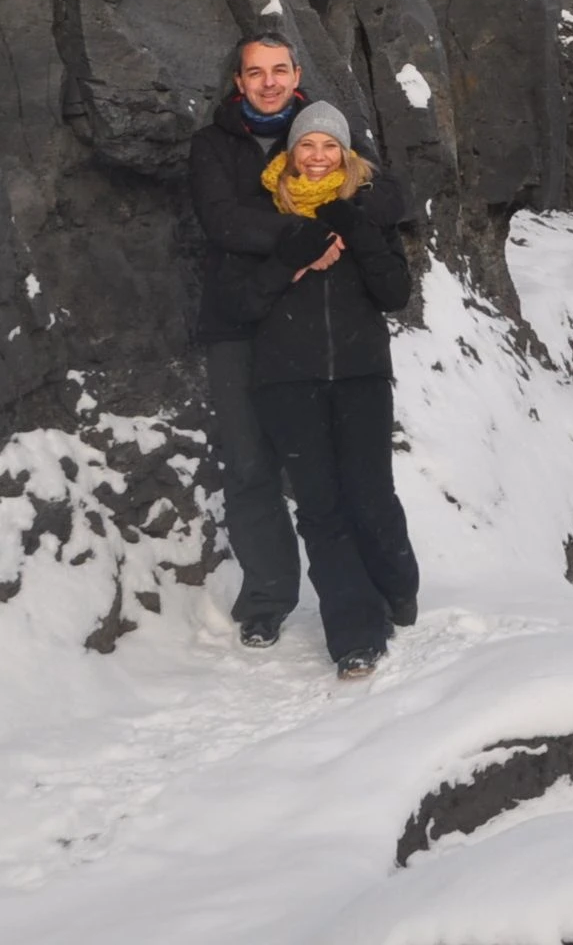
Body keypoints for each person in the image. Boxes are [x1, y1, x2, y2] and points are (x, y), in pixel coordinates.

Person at [246, 101, 422, 679]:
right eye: (306, 146)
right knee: (320, 509)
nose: (317, 158)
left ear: (346, 156)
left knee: (371, 494)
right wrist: (291, 264)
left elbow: (395, 292)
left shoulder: (368, 211)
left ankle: (398, 586)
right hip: (287, 382)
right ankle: (355, 634)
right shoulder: (266, 217)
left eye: (329, 147)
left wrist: (356, 228)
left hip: (361, 376)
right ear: (290, 153)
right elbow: (239, 301)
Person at [184, 34, 313, 649]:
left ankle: (354, 591)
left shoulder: (321, 136)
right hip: (233, 322)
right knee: (249, 464)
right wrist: (304, 235)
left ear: (296, 74)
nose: (268, 82)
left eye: (279, 70)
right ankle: (266, 599)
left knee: (323, 464)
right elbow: (223, 222)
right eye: (255, 73)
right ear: (238, 82)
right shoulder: (212, 146)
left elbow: (373, 197)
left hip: (312, 319)